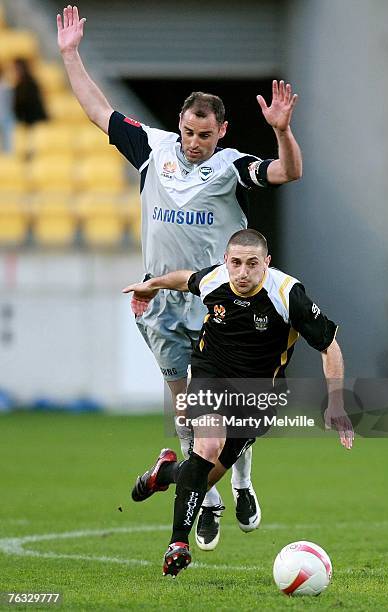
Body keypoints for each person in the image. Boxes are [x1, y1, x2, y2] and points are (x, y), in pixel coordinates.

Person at [57, 5, 303, 549]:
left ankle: (239, 480)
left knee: (230, 405)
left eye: (205, 135)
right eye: (189, 131)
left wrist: (283, 132)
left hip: (220, 301)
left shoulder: (232, 166)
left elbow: (287, 171)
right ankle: (210, 495)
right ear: (180, 124)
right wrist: (71, 54)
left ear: (222, 132)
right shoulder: (153, 147)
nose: (194, 142)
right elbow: (98, 110)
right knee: (187, 407)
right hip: (163, 299)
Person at [123, 229, 354, 576]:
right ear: (226, 261)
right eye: (235, 263)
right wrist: (152, 284)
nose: (242, 272)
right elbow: (185, 278)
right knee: (208, 445)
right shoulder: (216, 279)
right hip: (210, 373)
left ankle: (165, 472)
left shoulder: (288, 294)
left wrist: (335, 402)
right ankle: (178, 544)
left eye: (251, 264)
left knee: (206, 476)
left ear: (267, 263)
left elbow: (328, 345)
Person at [13, 58, 48, 127]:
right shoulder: (20, 85)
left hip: (35, 121)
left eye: (16, 69)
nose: (14, 72)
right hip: (30, 121)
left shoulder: (29, 85)